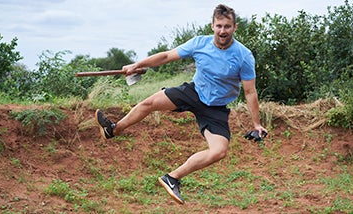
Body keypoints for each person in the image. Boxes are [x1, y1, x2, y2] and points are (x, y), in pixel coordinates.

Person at [95, 4, 267, 204]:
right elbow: (167, 56)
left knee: (219, 151)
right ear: (212, 25)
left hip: (216, 108)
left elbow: (250, 91)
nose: (222, 31)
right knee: (149, 102)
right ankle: (113, 129)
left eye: (227, 26)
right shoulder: (199, 43)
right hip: (194, 92)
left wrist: (256, 124)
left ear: (235, 27)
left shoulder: (243, 56)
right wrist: (137, 65)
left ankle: (172, 178)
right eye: (219, 25)